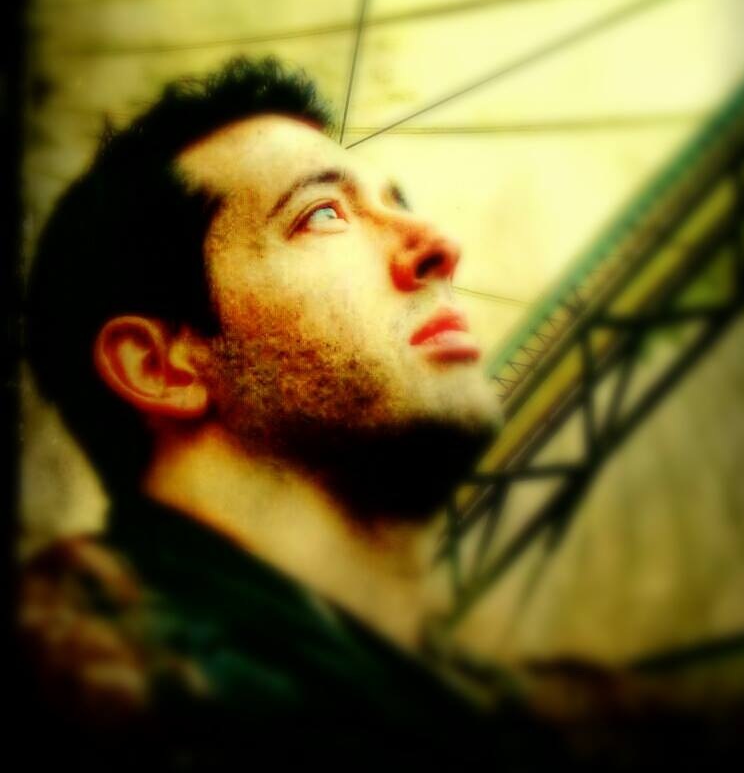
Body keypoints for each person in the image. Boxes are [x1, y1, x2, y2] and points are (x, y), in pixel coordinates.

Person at [18, 56, 564, 771]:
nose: (438, 246)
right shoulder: (83, 697)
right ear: (159, 366)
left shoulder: (472, 711)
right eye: (323, 214)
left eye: (397, 202)